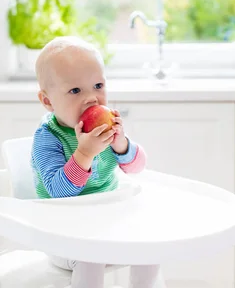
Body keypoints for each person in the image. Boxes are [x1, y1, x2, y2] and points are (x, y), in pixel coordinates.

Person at [31, 36, 162, 288]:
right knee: (91, 257)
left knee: (150, 244)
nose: (92, 98)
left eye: (98, 85)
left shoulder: (105, 124)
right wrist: (84, 154)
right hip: (61, 233)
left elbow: (137, 168)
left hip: (105, 222)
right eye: (75, 90)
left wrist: (120, 143)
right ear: (48, 101)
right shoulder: (48, 138)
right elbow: (58, 191)